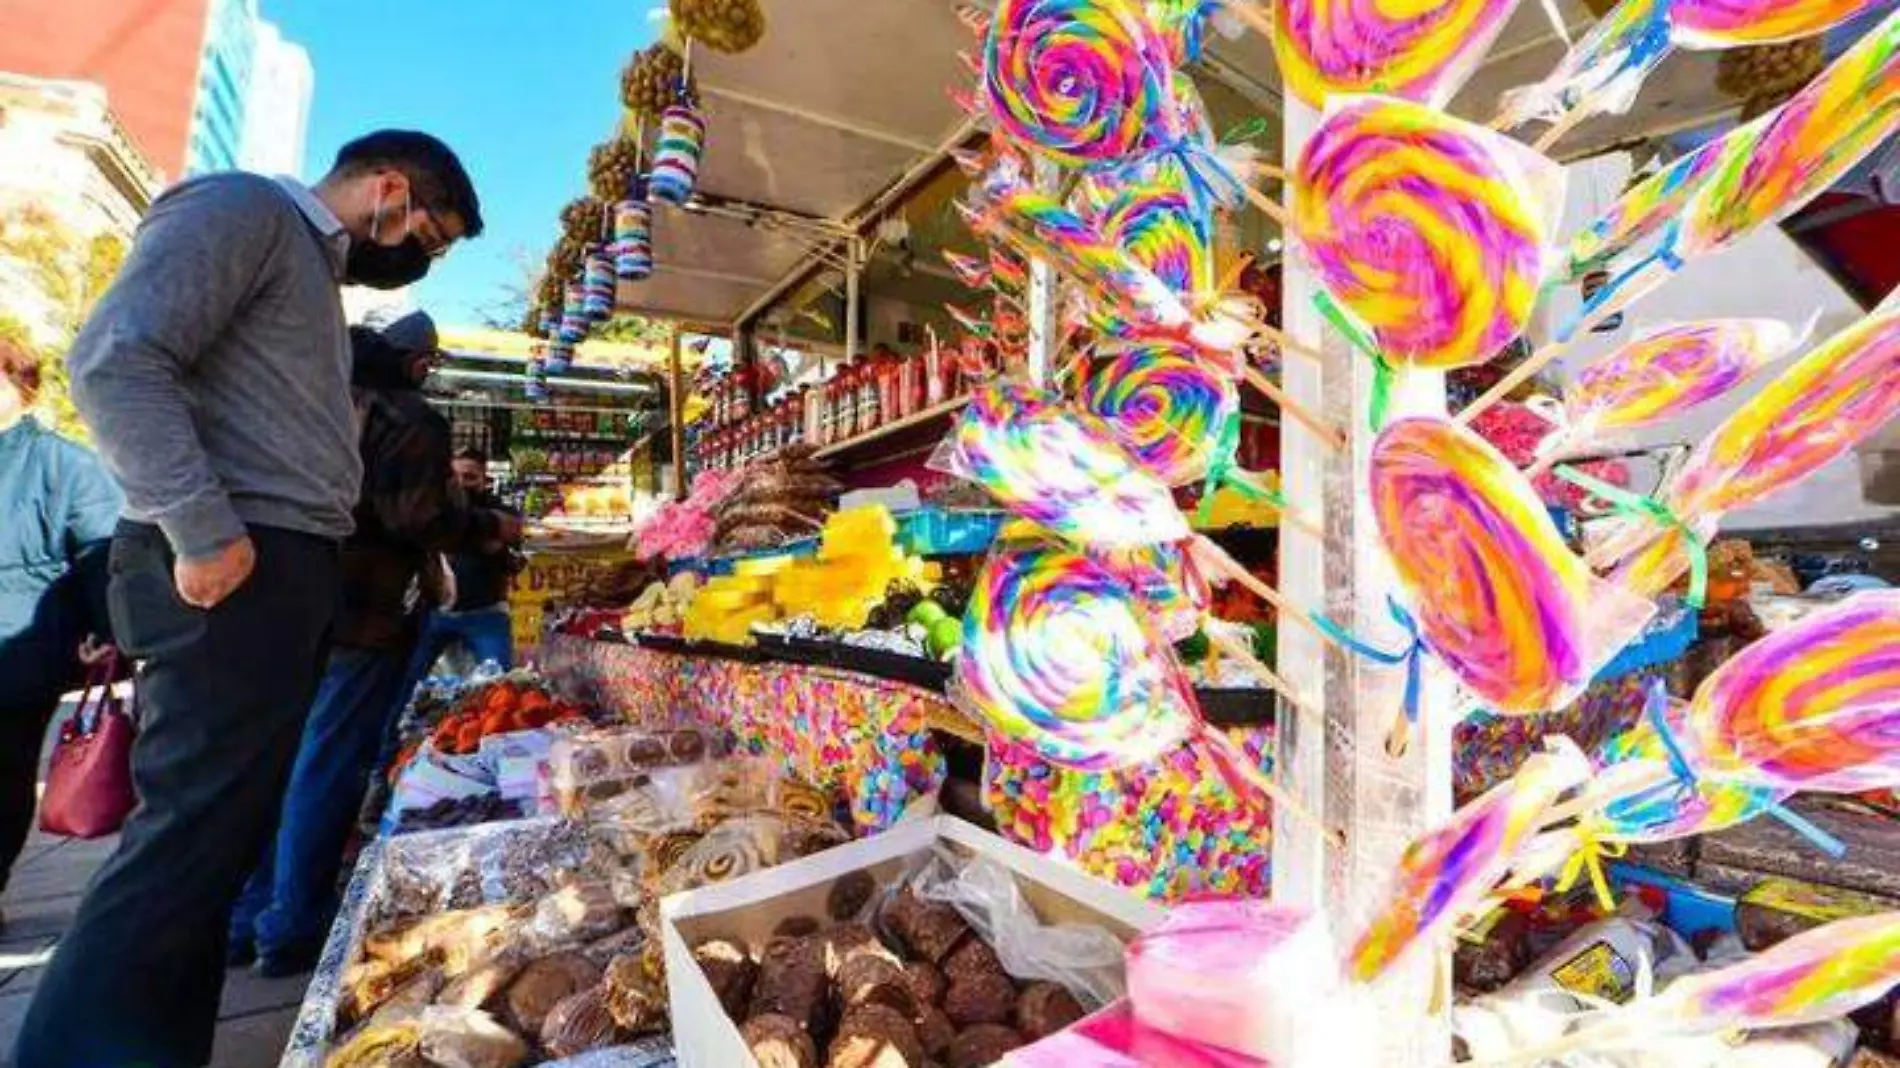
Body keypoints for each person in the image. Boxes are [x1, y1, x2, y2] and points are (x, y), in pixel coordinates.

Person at [17, 131, 482, 1068]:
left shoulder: (309, 265)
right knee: (184, 842)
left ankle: (152, 1047)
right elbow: (114, 359)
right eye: (429, 236)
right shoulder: (243, 210)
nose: (420, 259)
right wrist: (203, 529)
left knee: (216, 843)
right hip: (233, 565)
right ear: (389, 190)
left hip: (279, 566)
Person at [229, 311, 521, 976]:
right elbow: (422, 517)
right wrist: (490, 525)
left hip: (289, 605)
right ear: (418, 361)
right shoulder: (406, 416)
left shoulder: (318, 396)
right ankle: (294, 924)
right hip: (364, 615)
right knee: (328, 764)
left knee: (286, 759)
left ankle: (250, 917)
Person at [0, 339, 122, 920]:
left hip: (21, 651)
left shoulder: (63, 464)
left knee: (5, 770)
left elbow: (102, 554)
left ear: (23, 389)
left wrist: (108, 629)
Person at [401, 446, 522, 682]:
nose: (461, 483)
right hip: (434, 614)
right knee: (404, 679)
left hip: (485, 613)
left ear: (485, 480)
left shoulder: (498, 511)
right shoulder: (433, 509)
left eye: (470, 477)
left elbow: (508, 535)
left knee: (500, 686)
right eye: (456, 476)